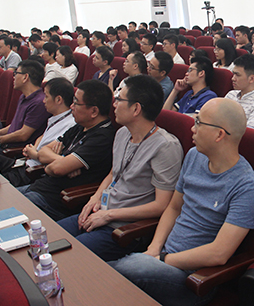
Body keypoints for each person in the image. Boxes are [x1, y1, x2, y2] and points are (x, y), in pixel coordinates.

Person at [110, 98, 254, 306]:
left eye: (198, 123)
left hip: (194, 278)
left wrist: (162, 260)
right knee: (112, 275)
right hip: (160, 259)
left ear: (219, 134)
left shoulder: (248, 186)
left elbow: (219, 254)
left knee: (120, 271)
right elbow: (174, 208)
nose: (192, 128)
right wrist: (154, 248)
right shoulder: (194, 156)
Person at [57, 75, 183, 261]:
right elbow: (113, 173)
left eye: (119, 99)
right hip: (101, 213)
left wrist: (108, 215)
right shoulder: (123, 133)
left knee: (67, 257)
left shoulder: (165, 146)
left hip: (125, 229)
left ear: (136, 108)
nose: (114, 104)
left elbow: (161, 205)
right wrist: (95, 197)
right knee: (51, 237)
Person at [16, 80, 116, 221]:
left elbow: (55, 169)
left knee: (5, 211)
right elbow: (43, 151)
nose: (71, 106)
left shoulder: (102, 137)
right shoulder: (80, 126)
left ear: (94, 111)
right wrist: (63, 160)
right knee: (0, 200)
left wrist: (56, 164)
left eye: (76, 103)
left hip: (54, 202)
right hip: (38, 187)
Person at [0, 78, 76, 187]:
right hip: (24, 162)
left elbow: (51, 153)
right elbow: (42, 137)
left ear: (58, 100)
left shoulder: (70, 125)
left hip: (32, 171)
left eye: (46, 96)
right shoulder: (57, 117)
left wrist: (35, 154)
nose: (44, 101)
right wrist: (33, 149)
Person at [0, 60, 50, 150]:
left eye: (16, 73)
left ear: (25, 77)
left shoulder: (39, 102)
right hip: (5, 144)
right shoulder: (23, 97)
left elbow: (23, 134)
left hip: (14, 151)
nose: (14, 77)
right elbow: (15, 125)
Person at [225, 54, 254, 131]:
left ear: (251, 79)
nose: (233, 78)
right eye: (233, 74)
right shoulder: (231, 94)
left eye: (237, 75)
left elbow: (250, 132)